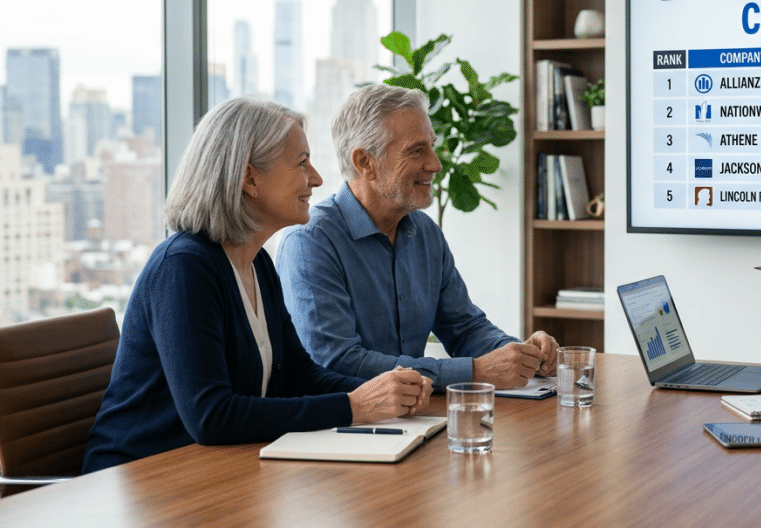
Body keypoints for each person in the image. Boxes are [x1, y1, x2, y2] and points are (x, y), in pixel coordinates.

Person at [83, 98, 433, 473]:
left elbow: (299, 375)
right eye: (301, 163)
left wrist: (385, 391)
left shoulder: (256, 261)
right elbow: (212, 415)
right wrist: (355, 406)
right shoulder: (184, 268)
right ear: (249, 178)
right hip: (137, 482)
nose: (315, 178)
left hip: (210, 471)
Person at [276, 84, 558, 390]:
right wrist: (474, 372)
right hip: (342, 428)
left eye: (432, 146)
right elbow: (338, 362)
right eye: (416, 150)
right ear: (365, 162)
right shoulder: (309, 242)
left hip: (416, 418)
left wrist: (519, 353)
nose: (435, 164)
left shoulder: (425, 233)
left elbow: (464, 329)